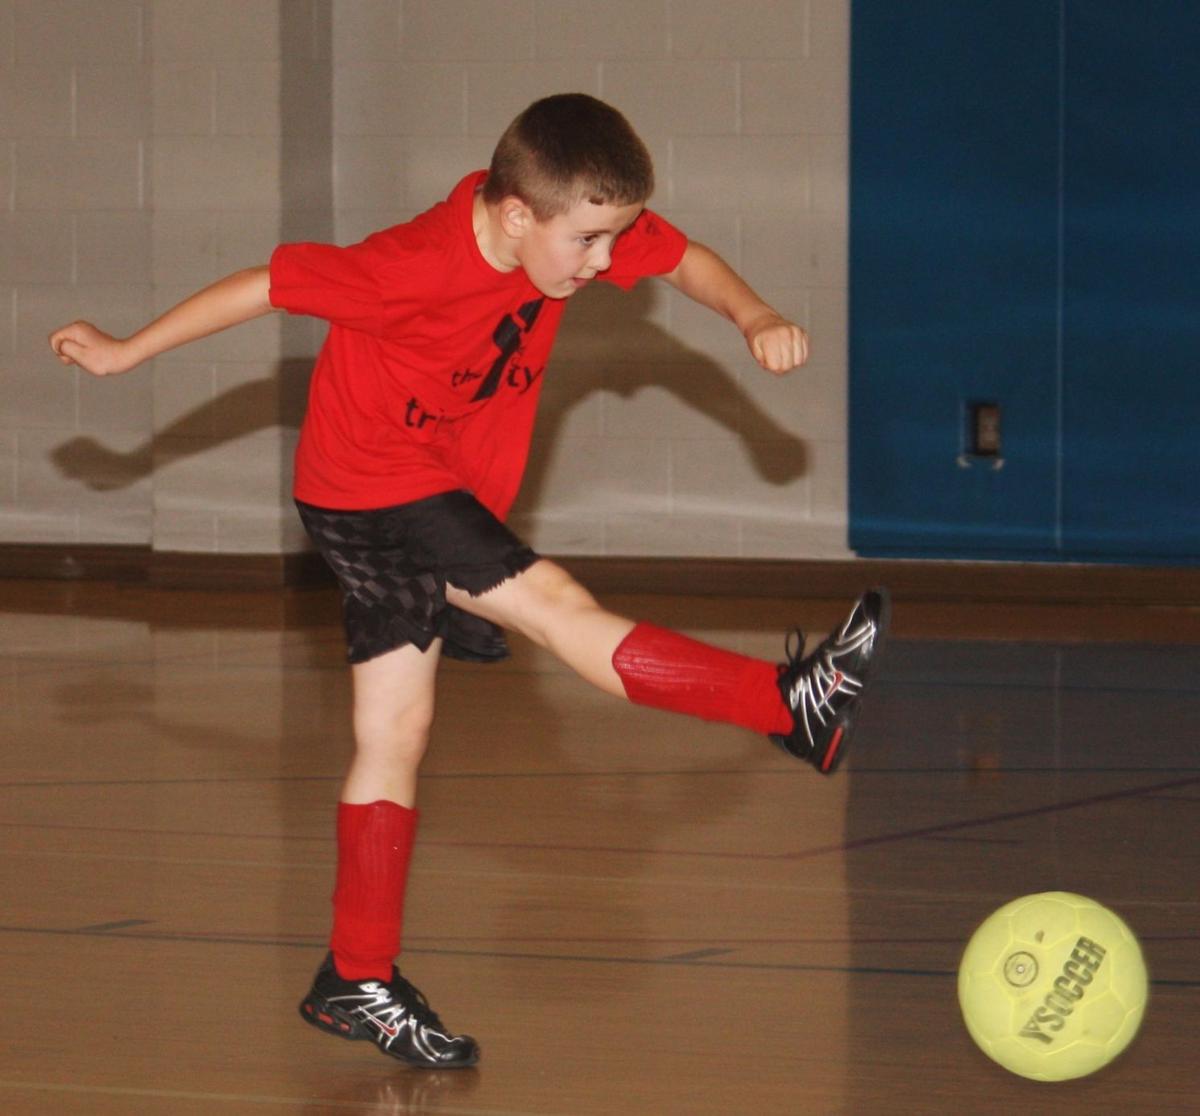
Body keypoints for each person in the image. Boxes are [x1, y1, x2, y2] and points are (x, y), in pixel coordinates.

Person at [49, 93, 889, 1069]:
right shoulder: (409, 266)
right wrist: (123, 353)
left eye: (613, 239)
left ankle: (355, 979)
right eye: (589, 241)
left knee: (393, 734)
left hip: (414, 493)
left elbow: (685, 256)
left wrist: (755, 312)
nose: (607, 264)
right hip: (374, 491)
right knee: (557, 608)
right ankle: (788, 707)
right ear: (519, 214)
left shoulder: (559, 230)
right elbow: (265, 285)